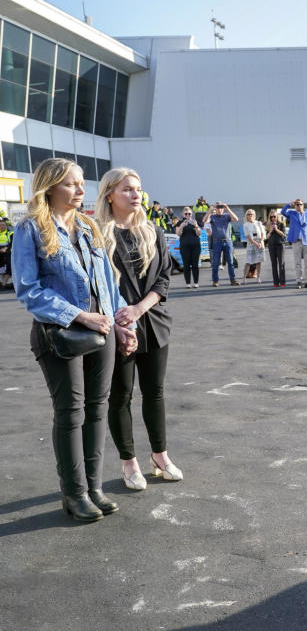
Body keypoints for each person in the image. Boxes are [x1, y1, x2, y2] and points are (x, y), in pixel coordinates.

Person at [11, 158, 137, 522]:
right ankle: (74, 493)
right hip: (61, 334)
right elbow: (29, 291)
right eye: (72, 184)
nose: (82, 190)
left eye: (82, 183)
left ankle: (94, 487)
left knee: (98, 409)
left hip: (103, 330)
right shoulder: (31, 229)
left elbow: (107, 285)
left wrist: (122, 323)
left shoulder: (88, 226)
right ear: (49, 187)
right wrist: (79, 315)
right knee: (70, 413)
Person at [95, 167, 182, 492]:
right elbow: (96, 284)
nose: (136, 195)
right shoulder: (98, 234)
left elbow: (163, 279)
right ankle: (129, 462)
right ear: (110, 195)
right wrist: (122, 317)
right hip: (116, 327)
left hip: (153, 323)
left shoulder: (152, 231)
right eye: (128, 189)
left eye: (138, 189)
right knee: (120, 396)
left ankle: (160, 456)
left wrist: (139, 309)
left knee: (155, 393)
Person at [280, 199, 307, 288]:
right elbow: (282, 211)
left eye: (300, 204)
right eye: (296, 204)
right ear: (295, 206)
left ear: (303, 205)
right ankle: (299, 281)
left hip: (306, 241)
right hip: (296, 241)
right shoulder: (292, 214)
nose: (298, 206)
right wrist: (289, 204)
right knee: (297, 262)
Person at [203, 202, 239, 287]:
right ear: (215, 209)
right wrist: (210, 210)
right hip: (217, 242)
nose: (219, 209)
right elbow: (204, 221)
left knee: (230, 262)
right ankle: (215, 281)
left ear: (223, 208)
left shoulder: (226, 216)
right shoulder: (212, 217)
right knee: (215, 262)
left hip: (227, 241)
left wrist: (228, 208)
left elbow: (236, 219)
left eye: (221, 208)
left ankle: (233, 280)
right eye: (218, 208)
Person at [176, 206, 202, 288]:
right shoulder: (180, 223)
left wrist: (196, 226)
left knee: (195, 264)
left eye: (189, 214)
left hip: (195, 246)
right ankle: (188, 283)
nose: (188, 215)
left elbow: (199, 234)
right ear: (183, 214)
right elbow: (178, 234)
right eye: (186, 214)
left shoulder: (195, 222)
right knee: (186, 265)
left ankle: (196, 282)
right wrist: (182, 226)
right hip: (184, 246)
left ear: (192, 214)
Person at [242, 209, 265, 284]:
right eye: (248, 214)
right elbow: (248, 236)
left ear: (254, 215)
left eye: (251, 214)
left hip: (260, 242)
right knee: (248, 261)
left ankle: (258, 277)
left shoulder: (258, 223)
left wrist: (261, 242)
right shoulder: (245, 225)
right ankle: (244, 278)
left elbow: (262, 233)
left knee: (258, 261)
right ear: (246, 216)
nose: (250, 216)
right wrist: (255, 243)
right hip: (251, 243)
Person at [265, 209, 287, 287]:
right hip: (271, 246)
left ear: (277, 216)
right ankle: (276, 282)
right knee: (273, 264)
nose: (273, 218)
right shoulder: (267, 225)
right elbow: (266, 237)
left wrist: (277, 229)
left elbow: (283, 235)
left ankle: (282, 282)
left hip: (280, 245)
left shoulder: (281, 224)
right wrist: (270, 231)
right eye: (271, 217)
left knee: (281, 263)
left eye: (274, 216)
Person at [0, 218, 12, 289]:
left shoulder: (10, 233)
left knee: (8, 267)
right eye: (1, 225)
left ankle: (3, 284)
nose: (2, 226)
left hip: (7, 251)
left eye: (4, 225)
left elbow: (12, 243)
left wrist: (6, 248)